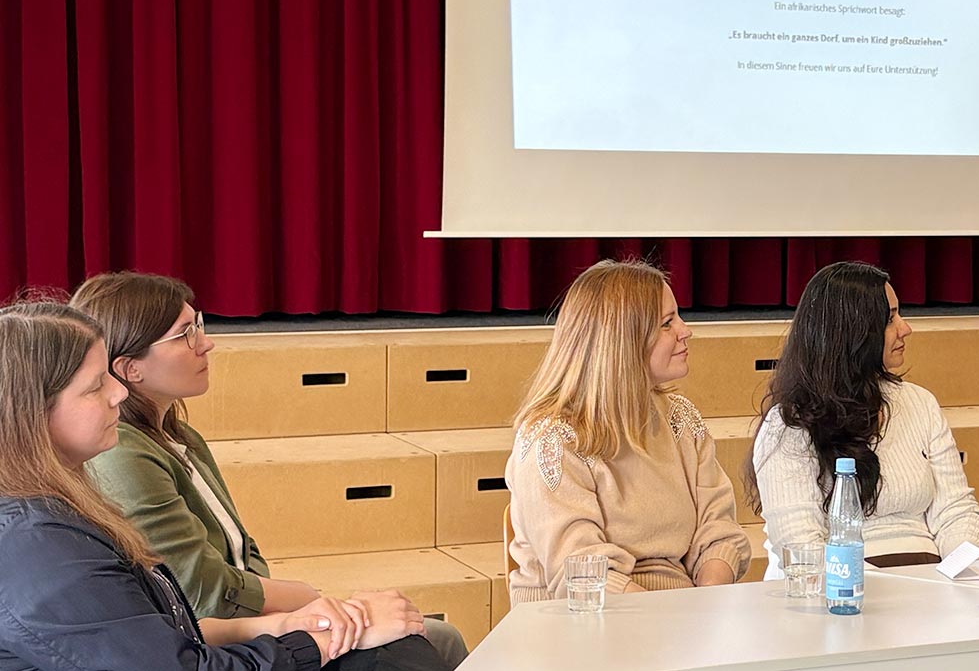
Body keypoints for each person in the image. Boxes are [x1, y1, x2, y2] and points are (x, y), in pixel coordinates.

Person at [0, 301, 445, 671]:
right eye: (96, 386)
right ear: (32, 413)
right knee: (398, 653)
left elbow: (165, 633)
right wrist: (320, 641)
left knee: (402, 643)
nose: (119, 393)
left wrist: (286, 625)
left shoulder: (53, 510)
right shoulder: (37, 548)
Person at [504, 259, 750, 602]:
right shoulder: (552, 440)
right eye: (667, 323)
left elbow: (717, 531)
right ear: (623, 340)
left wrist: (706, 602)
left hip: (676, 612)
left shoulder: (680, 418)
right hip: (581, 619)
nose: (685, 330)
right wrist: (671, 617)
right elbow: (581, 572)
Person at [749, 261, 979, 572]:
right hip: (841, 585)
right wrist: (886, 589)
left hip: (928, 577)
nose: (905, 328)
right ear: (853, 332)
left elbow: (956, 510)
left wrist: (953, 571)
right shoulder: (788, 425)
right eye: (889, 319)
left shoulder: (920, 403)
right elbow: (801, 544)